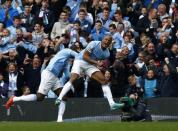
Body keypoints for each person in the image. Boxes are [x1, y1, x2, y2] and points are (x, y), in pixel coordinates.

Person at [5, 46, 79, 122]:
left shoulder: (67, 62)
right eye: (75, 52)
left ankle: (59, 120)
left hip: (55, 77)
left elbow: (67, 75)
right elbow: (78, 55)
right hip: (49, 74)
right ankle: (14, 98)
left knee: (63, 97)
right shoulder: (66, 51)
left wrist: (77, 75)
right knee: (39, 97)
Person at [55, 35, 124, 110]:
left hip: (90, 65)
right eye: (105, 39)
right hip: (80, 61)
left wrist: (98, 65)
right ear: (102, 39)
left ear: (110, 43)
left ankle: (112, 104)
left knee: (104, 80)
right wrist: (96, 63)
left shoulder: (107, 54)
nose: (106, 41)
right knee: (73, 78)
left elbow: (98, 61)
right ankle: (59, 98)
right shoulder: (93, 44)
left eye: (109, 41)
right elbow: (85, 56)